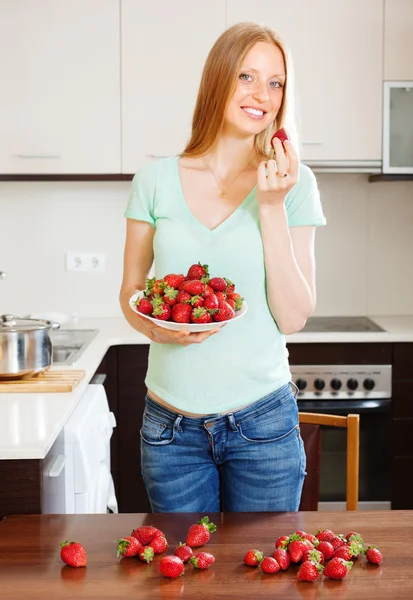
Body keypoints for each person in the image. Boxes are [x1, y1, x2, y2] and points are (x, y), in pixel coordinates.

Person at [119, 22, 326, 513]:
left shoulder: (294, 184)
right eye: (247, 77)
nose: (263, 95)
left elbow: (294, 317)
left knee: (262, 586)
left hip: (264, 426)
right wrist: (157, 327)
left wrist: (272, 206)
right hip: (171, 431)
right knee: (184, 584)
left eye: (275, 83)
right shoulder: (154, 181)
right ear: (218, 81)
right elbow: (131, 292)